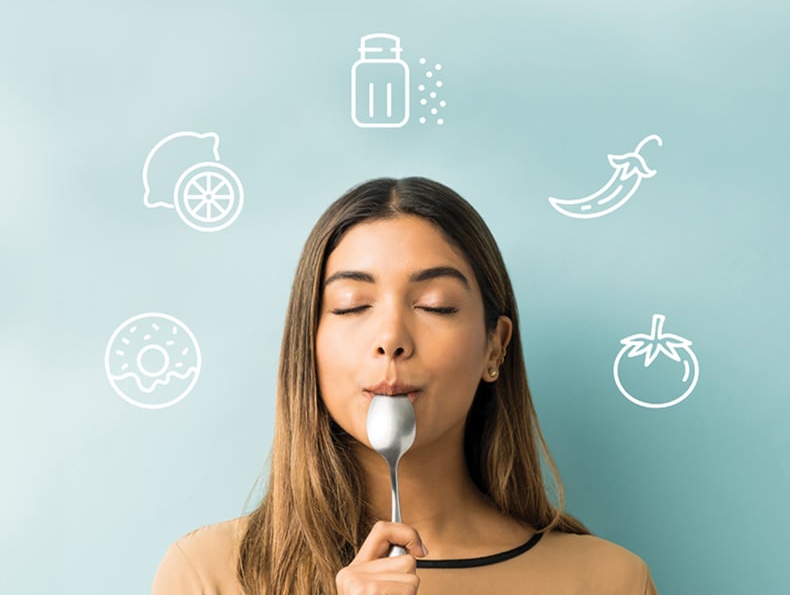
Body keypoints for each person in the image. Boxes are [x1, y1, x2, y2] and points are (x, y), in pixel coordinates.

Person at [151, 177, 658, 594]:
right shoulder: (211, 573)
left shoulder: (609, 581)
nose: (391, 338)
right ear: (308, 344)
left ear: (494, 348)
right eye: (351, 305)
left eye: (436, 305)